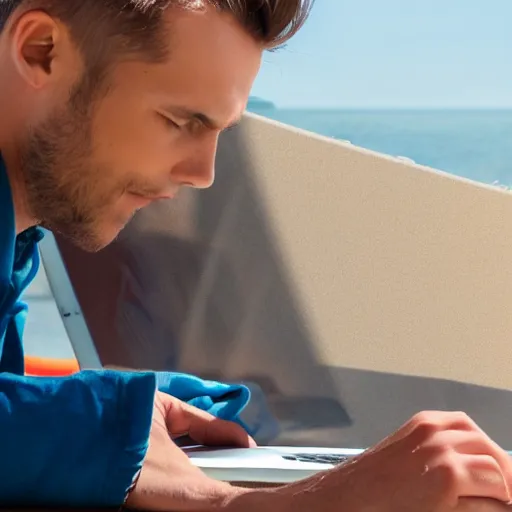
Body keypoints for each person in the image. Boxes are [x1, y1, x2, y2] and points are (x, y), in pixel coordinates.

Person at [0, 0, 511, 510]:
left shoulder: (19, 235)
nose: (204, 173)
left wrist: (96, 416)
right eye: (180, 120)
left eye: (222, 131)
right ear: (39, 51)